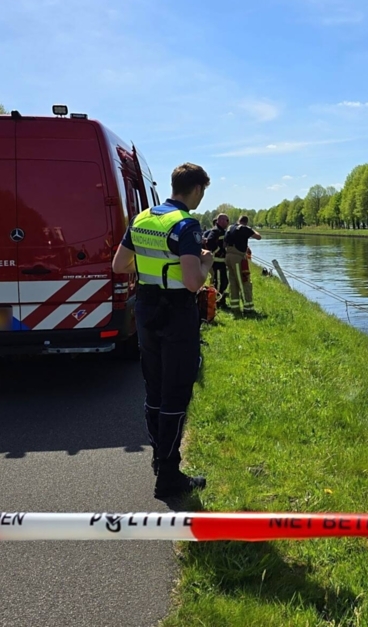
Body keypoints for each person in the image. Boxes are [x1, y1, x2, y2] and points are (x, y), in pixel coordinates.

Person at [112, 162, 213, 499]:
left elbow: (119, 264)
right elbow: (192, 282)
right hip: (176, 312)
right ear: (196, 189)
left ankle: (159, 458)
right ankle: (169, 475)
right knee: (176, 392)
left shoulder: (142, 218)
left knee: (154, 389)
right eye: (203, 192)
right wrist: (205, 264)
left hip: (146, 309)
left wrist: (152, 264)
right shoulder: (186, 225)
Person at [224, 215, 261, 313]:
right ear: (246, 222)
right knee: (243, 281)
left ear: (238, 220)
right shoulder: (244, 228)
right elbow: (258, 237)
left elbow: (224, 243)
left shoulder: (230, 228)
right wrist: (251, 229)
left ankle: (235, 307)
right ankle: (248, 308)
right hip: (237, 257)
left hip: (228, 256)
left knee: (233, 283)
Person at [203, 213, 230, 303]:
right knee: (218, 282)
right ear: (221, 221)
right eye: (227, 220)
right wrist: (219, 251)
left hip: (222, 262)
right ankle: (216, 302)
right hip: (217, 262)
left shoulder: (222, 230)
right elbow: (209, 242)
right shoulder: (216, 231)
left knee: (224, 281)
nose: (228, 222)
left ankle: (220, 300)